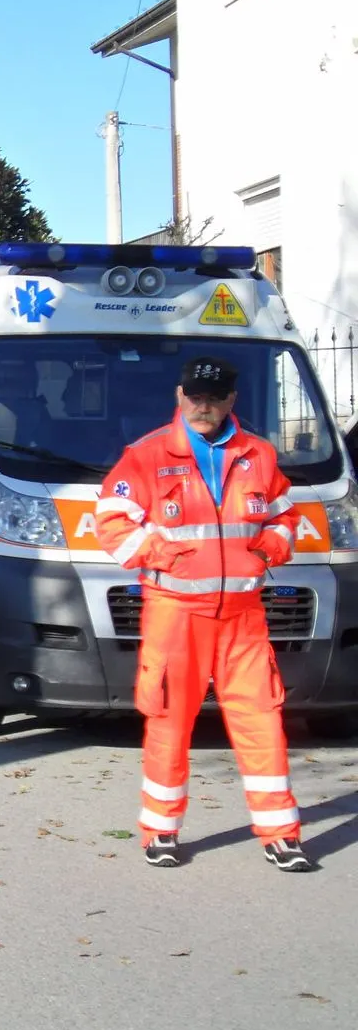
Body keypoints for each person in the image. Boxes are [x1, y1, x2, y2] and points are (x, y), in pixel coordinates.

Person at [94, 356, 311, 872]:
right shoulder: (146, 456)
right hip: (175, 615)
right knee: (169, 722)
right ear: (179, 395)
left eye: (214, 398)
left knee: (263, 721)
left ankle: (282, 835)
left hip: (242, 617)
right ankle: (160, 831)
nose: (204, 406)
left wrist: (269, 549)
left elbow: (285, 515)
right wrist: (162, 555)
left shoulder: (257, 455)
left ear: (232, 400)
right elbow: (110, 523)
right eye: (195, 396)